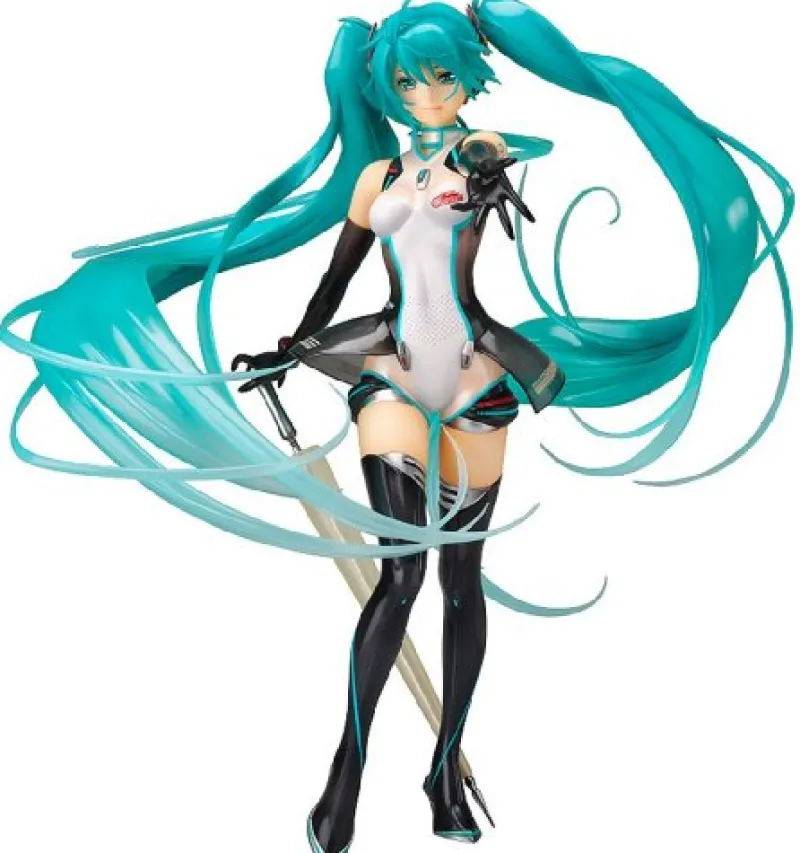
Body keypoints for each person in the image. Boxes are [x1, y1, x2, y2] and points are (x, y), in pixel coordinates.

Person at [0, 2, 791, 852]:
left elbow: (492, 161)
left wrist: (488, 168)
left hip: (477, 378)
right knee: (401, 574)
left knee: (461, 581)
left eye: (443, 75)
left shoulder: (482, 151)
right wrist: (291, 347)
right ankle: (346, 774)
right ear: (388, 85)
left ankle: (444, 773)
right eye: (409, 80)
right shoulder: (376, 179)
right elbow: (337, 276)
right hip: (394, 376)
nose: (428, 93)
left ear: (468, 78)